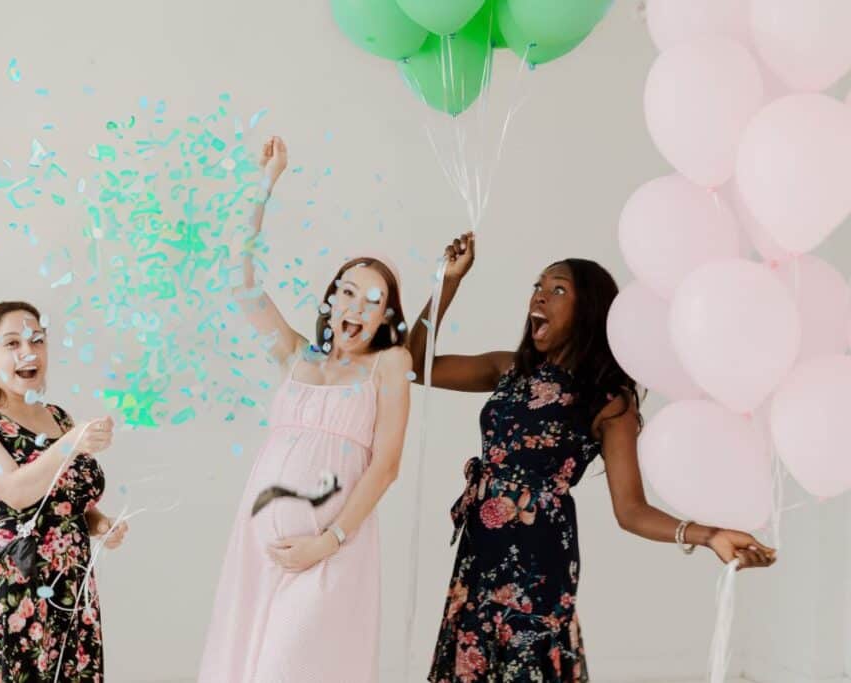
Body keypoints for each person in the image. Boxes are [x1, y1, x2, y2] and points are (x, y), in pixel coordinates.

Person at [414, 233, 776, 683]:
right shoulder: (507, 369)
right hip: (479, 553)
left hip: (537, 564)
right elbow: (413, 362)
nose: (540, 295)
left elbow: (631, 511)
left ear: (587, 312)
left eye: (558, 289)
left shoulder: (608, 402)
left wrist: (708, 534)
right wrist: (447, 281)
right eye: (538, 286)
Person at [198, 137, 413, 682]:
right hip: (259, 547)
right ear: (330, 299)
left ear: (387, 318)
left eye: (372, 301)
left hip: (332, 549)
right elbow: (238, 281)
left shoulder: (388, 365)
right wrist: (264, 186)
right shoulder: (296, 356)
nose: (355, 307)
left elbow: (386, 466)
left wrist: (327, 541)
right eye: (347, 292)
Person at [0, 301, 128, 682]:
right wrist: (71, 443)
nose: (28, 353)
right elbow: (15, 490)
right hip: (11, 590)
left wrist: (99, 523)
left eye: (37, 341)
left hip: (70, 592)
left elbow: (63, 500)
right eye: (12, 344)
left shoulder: (58, 418)